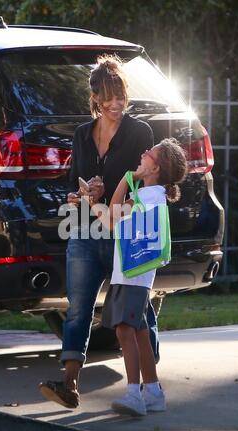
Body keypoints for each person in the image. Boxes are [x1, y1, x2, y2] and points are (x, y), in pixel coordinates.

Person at [39, 54, 159, 408]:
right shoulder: (81, 135)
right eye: (108, 97)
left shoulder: (140, 132)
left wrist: (106, 191)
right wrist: (79, 195)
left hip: (124, 233)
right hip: (84, 231)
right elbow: (71, 186)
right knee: (77, 309)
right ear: (94, 98)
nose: (116, 103)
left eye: (120, 94)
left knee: (138, 311)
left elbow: (144, 182)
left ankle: (150, 387)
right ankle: (69, 385)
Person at [86, 138, 187, 416]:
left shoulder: (148, 196)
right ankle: (153, 392)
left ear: (156, 168)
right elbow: (111, 219)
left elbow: (113, 216)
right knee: (140, 333)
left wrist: (124, 179)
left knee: (124, 330)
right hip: (134, 275)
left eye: (149, 153)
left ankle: (134, 394)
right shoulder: (147, 196)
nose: (143, 153)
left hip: (132, 275)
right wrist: (94, 202)